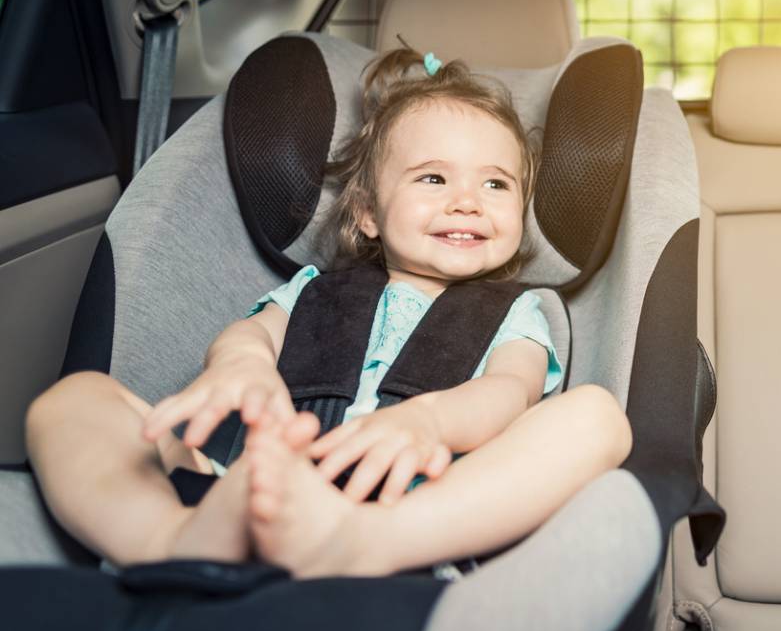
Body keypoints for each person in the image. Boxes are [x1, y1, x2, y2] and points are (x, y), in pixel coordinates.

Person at [25, 46, 632, 579]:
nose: (469, 202)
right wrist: (241, 368)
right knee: (73, 400)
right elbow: (252, 334)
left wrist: (431, 424)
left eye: (497, 185)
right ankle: (170, 540)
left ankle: (361, 545)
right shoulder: (314, 290)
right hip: (253, 486)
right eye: (433, 178)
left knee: (598, 418)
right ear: (367, 212)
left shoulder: (518, 311)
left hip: (415, 506)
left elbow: (510, 391)